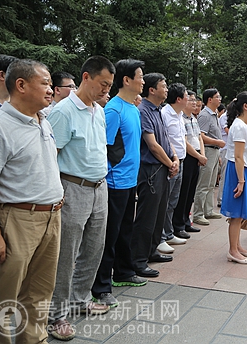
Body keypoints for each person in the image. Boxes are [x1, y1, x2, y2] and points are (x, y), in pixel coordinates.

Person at [0, 59, 65, 344]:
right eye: (45, 83)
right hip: (17, 219)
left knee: (39, 295)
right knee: (2, 299)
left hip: (51, 217)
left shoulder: (43, 120)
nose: (51, 89)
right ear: (20, 85)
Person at [48, 56, 115, 340]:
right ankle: (56, 314)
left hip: (100, 187)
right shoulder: (63, 112)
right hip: (72, 188)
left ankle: (80, 298)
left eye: (109, 85)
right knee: (66, 253)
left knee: (94, 247)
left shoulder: (99, 110)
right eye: (103, 84)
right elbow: (51, 156)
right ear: (86, 77)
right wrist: (56, 192)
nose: (106, 90)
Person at [91, 59, 147, 311]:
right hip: (115, 181)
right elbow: (105, 146)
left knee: (125, 230)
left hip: (130, 180)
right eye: (140, 76)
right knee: (109, 235)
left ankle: (123, 272)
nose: (143, 81)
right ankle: (101, 287)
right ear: (127, 80)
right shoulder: (113, 110)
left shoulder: (132, 108)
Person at [131, 73, 179, 278]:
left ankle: (151, 250)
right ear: (152, 90)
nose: (166, 89)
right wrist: (170, 163)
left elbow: (165, 139)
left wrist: (174, 158)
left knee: (159, 213)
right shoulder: (143, 111)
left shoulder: (158, 110)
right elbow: (152, 145)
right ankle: (138, 260)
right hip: (151, 170)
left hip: (163, 168)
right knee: (147, 216)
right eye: (163, 86)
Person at [220, 92, 247, 264]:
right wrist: (241, 181)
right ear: (245, 106)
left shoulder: (242, 125)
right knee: (236, 214)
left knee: (241, 212)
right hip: (240, 172)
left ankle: (237, 246)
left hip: (246, 170)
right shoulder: (239, 127)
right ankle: (233, 251)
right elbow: (238, 156)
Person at [158, 83, 191, 254]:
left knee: (173, 200)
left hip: (181, 161)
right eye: (186, 96)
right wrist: (172, 160)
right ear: (178, 99)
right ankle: (160, 237)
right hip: (170, 163)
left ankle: (168, 232)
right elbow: (164, 140)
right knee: (164, 201)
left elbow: (181, 138)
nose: (189, 99)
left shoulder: (179, 115)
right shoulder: (165, 114)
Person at [172, 90, 207, 238]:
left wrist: (202, 155)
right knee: (183, 192)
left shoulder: (193, 118)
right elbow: (184, 142)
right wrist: (198, 156)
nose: (194, 103)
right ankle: (178, 225)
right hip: (188, 156)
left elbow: (199, 138)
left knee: (191, 191)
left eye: (194, 100)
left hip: (197, 156)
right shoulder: (181, 118)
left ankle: (186, 221)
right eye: (191, 100)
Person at [192, 88, 225, 225]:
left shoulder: (214, 114)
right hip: (208, 150)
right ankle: (198, 214)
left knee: (211, 184)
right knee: (203, 184)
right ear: (210, 99)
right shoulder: (205, 115)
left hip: (215, 151)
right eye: (217, 97)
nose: (220, 99)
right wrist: (217, 142)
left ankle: (208, 210)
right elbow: (201, 136)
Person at [217, 102, 230, 208]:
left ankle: (227, 198)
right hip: (225, 149)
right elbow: (229, 131)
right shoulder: (224, 117)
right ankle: (221, 199)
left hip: (231, 149)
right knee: (224, 175)